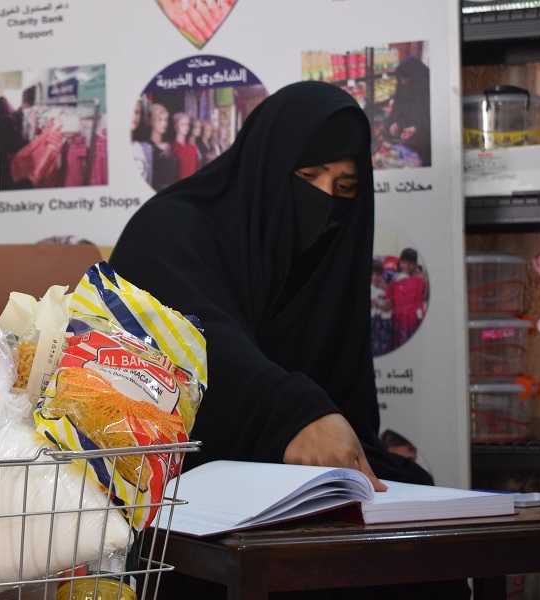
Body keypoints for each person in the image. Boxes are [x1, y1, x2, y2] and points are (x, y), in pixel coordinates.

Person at [109, 81, 468, 599]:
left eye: (346, 187)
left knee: (425, 536)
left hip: (301, 490)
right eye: (307, 176)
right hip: (187, 484)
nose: (325, 200)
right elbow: (191, 338)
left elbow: (344, 398)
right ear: (267, 163)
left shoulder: (328, 257)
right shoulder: (168, 228)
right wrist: (292, 414)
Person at [386, 55, 431, 166]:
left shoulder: (428, 88)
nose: (403, 82)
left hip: (424, 144)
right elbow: (398, 107)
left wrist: (417, 128)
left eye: (405, 78)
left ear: (415, 77)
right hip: (405, 140)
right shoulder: (402, 86)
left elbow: (431, 117)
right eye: (400, 79)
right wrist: (395, 122)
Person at [385, 247, 428, 347]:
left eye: (410, 263)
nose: (406, 266)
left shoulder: (420, 280)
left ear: (415, 265)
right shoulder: (395, 280)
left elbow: (425, 296)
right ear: (400, 263)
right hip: (399, 319)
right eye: (403, 262)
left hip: (415, 319)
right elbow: (389, 299)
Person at [148, 103, 179, 191]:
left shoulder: (169, 146)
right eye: (160, 120)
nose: (164, 123)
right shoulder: (147, 147)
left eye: (166, 120)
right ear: (152, 121)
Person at [171, 111, 199, 179]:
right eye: (182, 124)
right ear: (176, 126)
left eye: (187, 124)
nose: (186, 127)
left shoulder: (192, 148)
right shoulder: (172, 147)